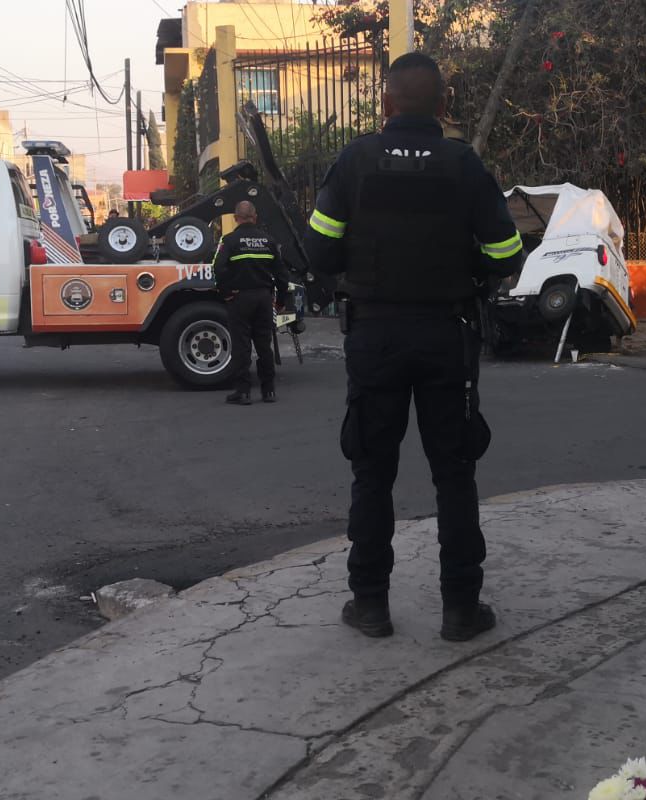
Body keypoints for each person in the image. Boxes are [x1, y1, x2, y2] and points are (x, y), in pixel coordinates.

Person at [303, 52, 525, 642]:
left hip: (374, 336)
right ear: (444, 106)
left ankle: (370, 604)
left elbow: (319, 252)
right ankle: (460, 611)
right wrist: (468, 267)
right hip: (446, 335)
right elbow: (507, 254)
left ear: (384, 104)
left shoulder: (355, 162)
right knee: (454, 474)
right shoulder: (462, 163)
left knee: (372, 472)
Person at [211, 200, 288, 405]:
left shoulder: (228, 240)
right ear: (255, 217)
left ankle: (243, 392)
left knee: (241, 346)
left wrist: (226, 292)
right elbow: (282, 276)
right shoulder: (269, 241)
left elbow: (217, 269)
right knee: (264, 345)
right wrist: (280, 302)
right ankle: (268, 391)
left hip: (239, 298)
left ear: (236, 218)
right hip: (264, 298)